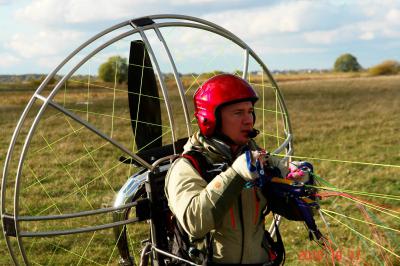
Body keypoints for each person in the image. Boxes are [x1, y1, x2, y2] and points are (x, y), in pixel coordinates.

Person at [165, 74, 291, 265]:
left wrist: (302, 184)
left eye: (250, 111)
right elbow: (194, 222)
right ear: (211, 119)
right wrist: (235, 174)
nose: (249, 120)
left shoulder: (257, 157)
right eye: (238, 113)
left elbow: (297, 207)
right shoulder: (188, 166)